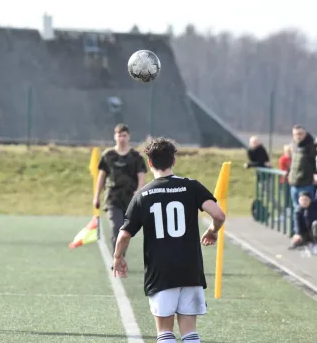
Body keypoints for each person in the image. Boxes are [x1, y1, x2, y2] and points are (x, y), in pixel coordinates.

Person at [112, 136, 225, 343]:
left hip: (161, 271)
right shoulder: (191, 187)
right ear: (174, 161)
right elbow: (218, 215)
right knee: (190, 332)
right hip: (190, 268)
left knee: (164, 332)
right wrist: (212, 230)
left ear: (150, 163)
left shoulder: (143, 195)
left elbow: (124, 234)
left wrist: (118, 257)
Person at [93, 123, 147, 254]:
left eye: (124, 135)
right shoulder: (108, 155)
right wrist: (96, 196)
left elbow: (141, 176)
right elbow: (101, 176)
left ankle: (121, 254)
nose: (122, 138)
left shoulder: (136, 157)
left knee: (126, 231)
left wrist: (139, 191)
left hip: (130, 199)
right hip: (113, 197)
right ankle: (116, 257)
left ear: (128, 137)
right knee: (116, 227)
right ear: (115, 137)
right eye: (119, 135)